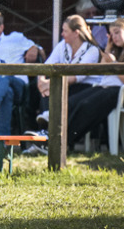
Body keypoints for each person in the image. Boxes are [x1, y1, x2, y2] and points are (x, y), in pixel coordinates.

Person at [66, 17, 124, 148]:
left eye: (117, 32)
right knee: (73, 101)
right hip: (111, 89)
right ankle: (55, 135)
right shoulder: (119, 50)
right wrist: (108, 49)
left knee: (87, 104)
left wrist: (114, 64)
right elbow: (102, 70)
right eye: (111, 34)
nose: (114, 37)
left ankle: (64, 141)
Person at [25, 15, 105, 155]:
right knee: (39, 91)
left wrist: (50, 84)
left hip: (86, 88)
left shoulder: (92, 50)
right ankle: (42, 137)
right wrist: (41, 81)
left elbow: (77, 76)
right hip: (65, 84)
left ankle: (47, 137)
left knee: (53, 90)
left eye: (65, 31)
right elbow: (47, 65)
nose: (62, 34)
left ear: (76, 33)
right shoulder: (63, 45)